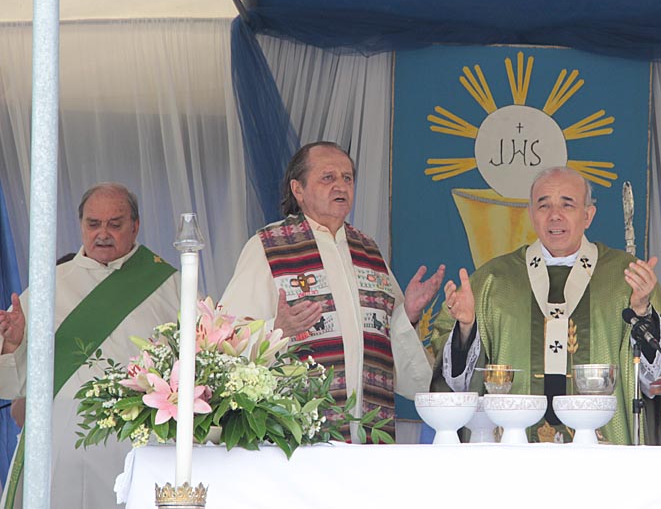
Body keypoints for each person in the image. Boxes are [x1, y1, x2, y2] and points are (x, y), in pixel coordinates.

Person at [432, 166, 661, 444]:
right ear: (531, 214)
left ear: (588, 215)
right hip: (514, 446)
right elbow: (456, 381)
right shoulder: (494, 280)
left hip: (603, 446)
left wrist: (642, 312)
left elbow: (660, 375)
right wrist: (466, 328)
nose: (555, 215)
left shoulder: (625, 277)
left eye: (567, 204)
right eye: (544, 205)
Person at [221, 141, 443, 442]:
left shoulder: (368, 250)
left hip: (367, 428)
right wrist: (277, 329)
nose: (341, 185)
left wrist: (409, 314)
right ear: (298, 189)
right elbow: (227, 337)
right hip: (298, 433)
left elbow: (387, 338)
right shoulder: (269, 246)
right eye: (328, 177)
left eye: (347, 178)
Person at [0, 183, 183, 509]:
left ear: (135, 226)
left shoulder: (168, 285)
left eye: (115, 224)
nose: (103, 234)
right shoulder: (49, 284)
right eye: (93, 224)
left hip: (136, 446)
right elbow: (14, 386)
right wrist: (13, 344)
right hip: (60, 447)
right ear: (81, 225)